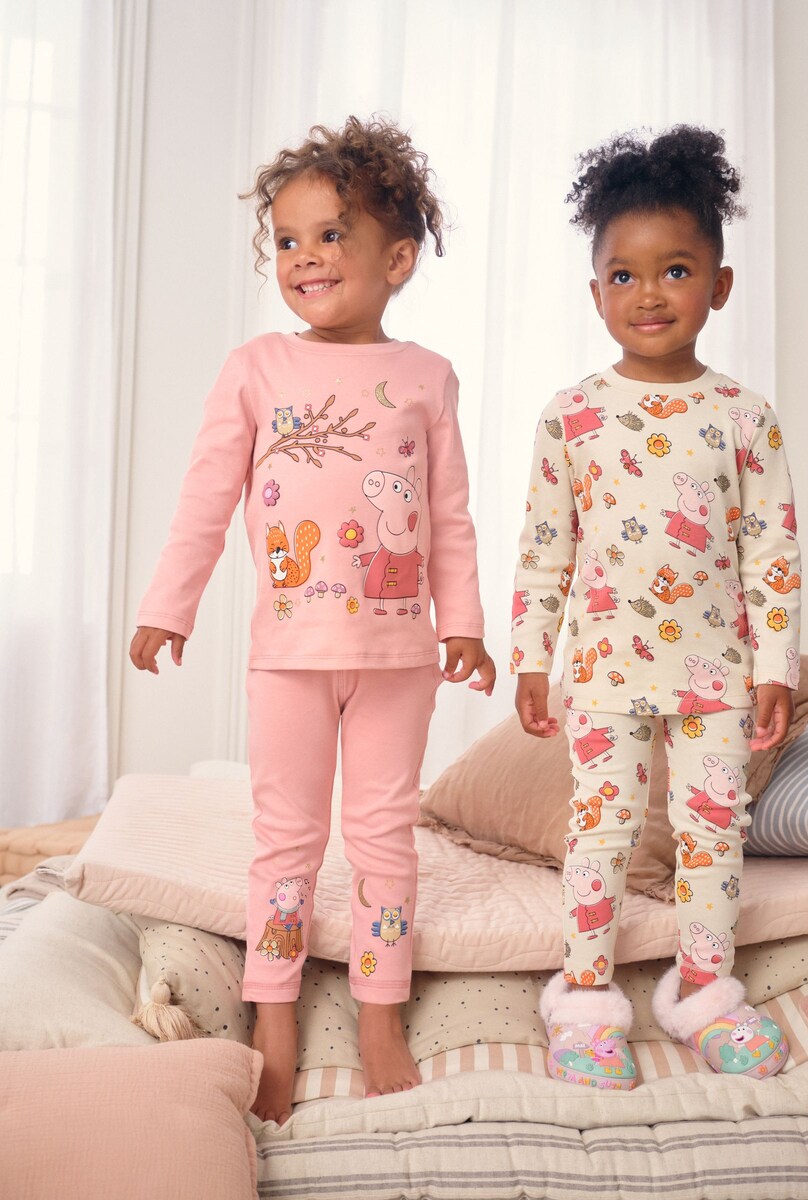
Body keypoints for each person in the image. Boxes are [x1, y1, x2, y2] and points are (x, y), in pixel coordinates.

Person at [130, 115, 495, 1123]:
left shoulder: (427, 375)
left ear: (398, 259)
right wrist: (169, 605)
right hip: (289, 655)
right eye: (287, 240)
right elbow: (207, 497)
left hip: (398, 657)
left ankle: (380, 1012)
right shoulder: (256, 368)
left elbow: (449, 514)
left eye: (332, 235)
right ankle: (274, 1012)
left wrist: (463, 622)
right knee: (285, 840)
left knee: (383, 836)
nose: (305, 257)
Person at [511, 126, 800, 1089]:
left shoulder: (745, 416)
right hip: (603, 670)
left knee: (713, 838)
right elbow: (545, 549)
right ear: (596, 292)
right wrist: (531, 655)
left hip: (718, 673)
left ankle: (706, 993)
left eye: (675, 270)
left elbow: (771, 551)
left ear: (719, 285)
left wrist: (776, 667)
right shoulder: (571, 415)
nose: (649, 294)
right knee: (600, 834)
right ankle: (586, 1000)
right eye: (624, 275)